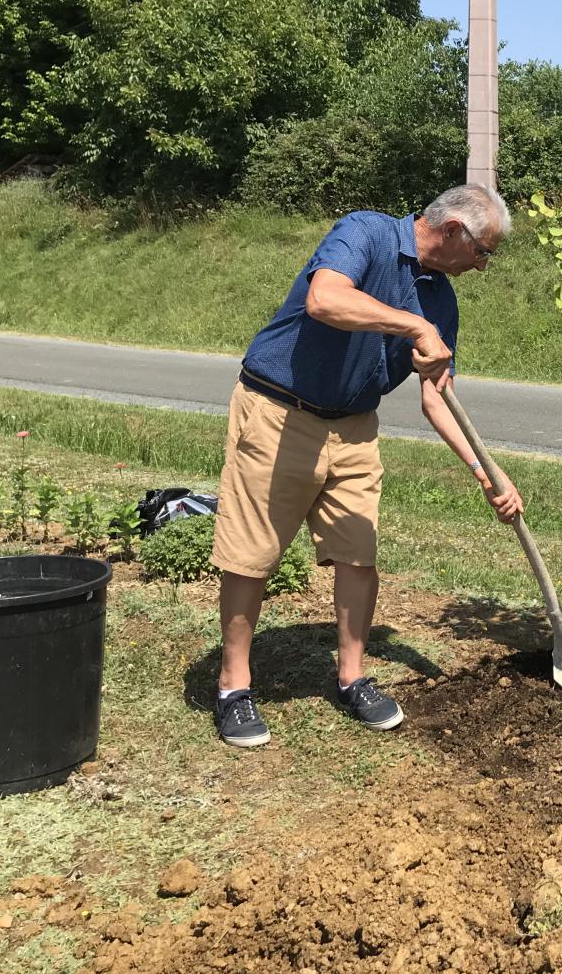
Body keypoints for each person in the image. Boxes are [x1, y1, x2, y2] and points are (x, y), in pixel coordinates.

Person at [210, 184, 523, 748]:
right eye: (484, 252)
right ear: (454, 229)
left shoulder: (441, 301)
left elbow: (437, 398)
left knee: (358, 554)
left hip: (353, 427)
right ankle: (234, 687)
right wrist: (411, 325)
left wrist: (486, 471)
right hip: (279, 412)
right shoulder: (368, 231)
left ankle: (352, 678)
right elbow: (325, 300)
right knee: (251, 556)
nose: (482, 266)